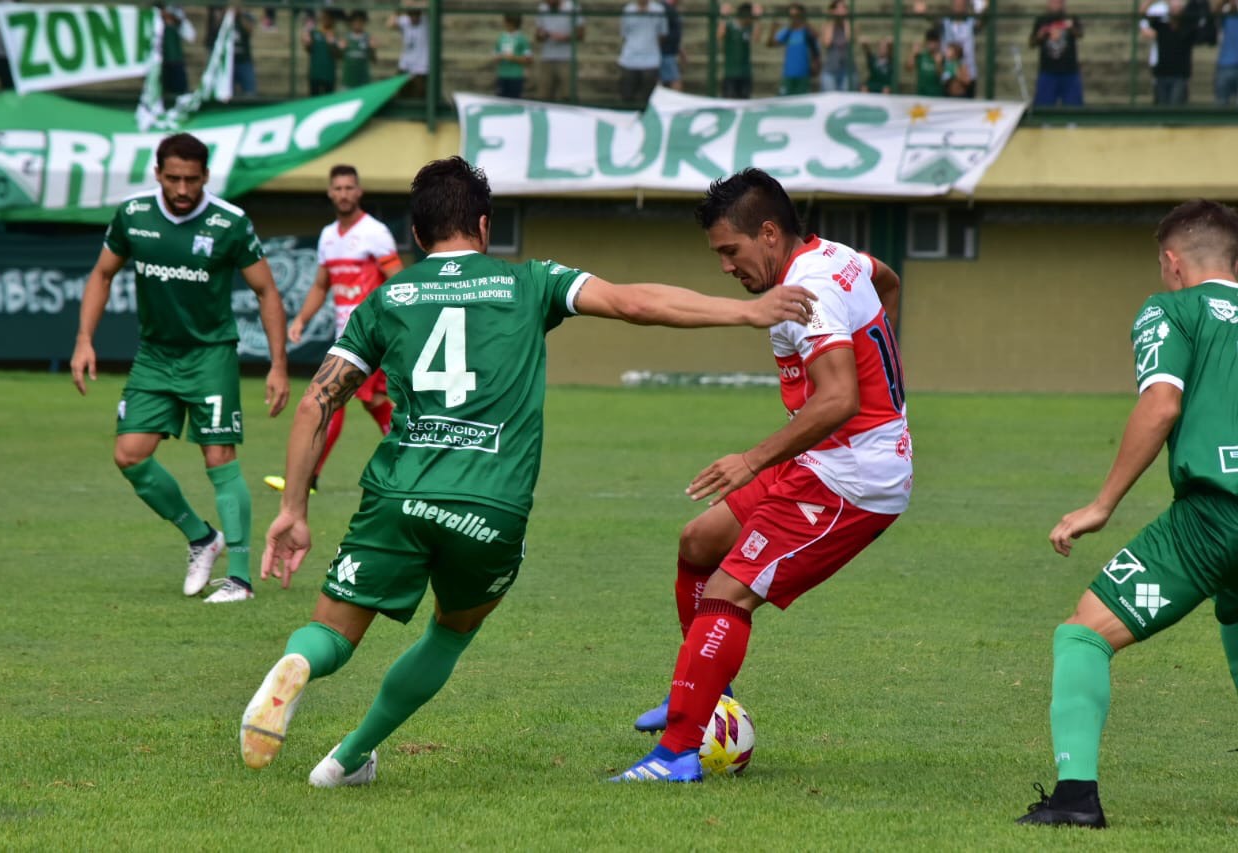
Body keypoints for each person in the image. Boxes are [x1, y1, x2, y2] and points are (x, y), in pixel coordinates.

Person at [237, 156, 817, 787]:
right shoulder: (531, 281)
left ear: (418, 234)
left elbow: (316, 403)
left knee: (332, 631)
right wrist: (747, 312)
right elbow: (633, 302)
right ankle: (347, 757)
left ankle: (300, 663)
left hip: (398, 493)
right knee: (450, 632)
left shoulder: (388, 298)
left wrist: (292, 510)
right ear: (484, 226)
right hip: (489, 505)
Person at [616, 168, 912, 782]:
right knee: (698, 542)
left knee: (728, 592)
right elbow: (886, 278)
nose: (726, 266)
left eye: (732, 250)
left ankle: (676, 754)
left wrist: (751, 460)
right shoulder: (836, 258)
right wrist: (876, 341)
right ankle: (700, 691)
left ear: (770, 233)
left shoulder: (811, 288)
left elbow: (839, 400)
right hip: (820, 459)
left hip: (850, 479)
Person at [1015, 200, 1238, 829]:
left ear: (1172, 262)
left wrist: (1101, 504)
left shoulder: (1171, 309)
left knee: (1083, 633)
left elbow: (1161, 404)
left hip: (1215, 519)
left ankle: (1075, 798)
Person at [69, 133, 290, 605]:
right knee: (129, 455)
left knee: (219, 458)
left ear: (206, 175)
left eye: (192, 179)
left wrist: (278, 365)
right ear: (158, 174)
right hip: (155, 355)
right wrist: (84, 340)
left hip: (210, 355)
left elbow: (266, 291)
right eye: (173, 178)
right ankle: (201, 537)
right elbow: (102, 274)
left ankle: (240, 579)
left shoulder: (229, 223)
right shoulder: (134, 215)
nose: (183, 189)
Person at [264, 166, 403, 496]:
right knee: (373, 401)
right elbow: (320, 285)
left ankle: (307, 477)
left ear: (359, 191)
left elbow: (398, 280)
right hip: (347, 336)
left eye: (349, 187)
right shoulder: (328, 236)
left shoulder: (375, 232)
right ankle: (411, 458)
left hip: (372, 334)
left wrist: (394, 322)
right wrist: (301, 319)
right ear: (330, 192)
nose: (343, 194)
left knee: (332, 397)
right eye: (338, 188)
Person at [915, 0, 984, 98]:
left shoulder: (971, 22)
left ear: (966, 6)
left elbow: (982, 21)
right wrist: (925, 13)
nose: (959, 6)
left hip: (968, 74)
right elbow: (934, 21)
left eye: (961, 4)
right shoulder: (945, 23)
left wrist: (986, 7)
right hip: (949, 76)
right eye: (956, 4)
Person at [1142, 0, 1201, 105]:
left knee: (1175, 108)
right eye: (1173, 8)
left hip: (1180, 76)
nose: (1175, 11)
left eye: (1178, 8)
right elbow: (1143, 18)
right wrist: (1149, 2)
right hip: (1161, 74)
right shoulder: (1161, 27)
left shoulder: (1188, 29)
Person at [1029, 0, 1083, 106]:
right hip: (1047, 71)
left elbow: (1080, 34)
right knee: (1044, 108)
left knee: (1073, 108)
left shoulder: (1071, 18)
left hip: (1069, 71)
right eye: (1052, 2)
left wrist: (1070, 27)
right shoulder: (1041, 20)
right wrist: (1040, 35)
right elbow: (1032, 43)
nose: (1055, 4)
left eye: (1058, 2)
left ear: (1063, 3)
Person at [619, 0, 668, 106]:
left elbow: (662, 33)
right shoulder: (628, 10)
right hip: (630, 58)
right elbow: (624, 33)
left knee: (649, 96)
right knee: (627, 95)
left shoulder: (658, 10)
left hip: (651, 59)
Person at [535, 0, 585, 102]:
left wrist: (564, 37)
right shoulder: (542, 8)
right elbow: (537, 34)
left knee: (568, 96)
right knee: (543, 96)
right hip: (547, 59)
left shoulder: (573, 7)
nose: (548, 3)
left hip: (566, 59)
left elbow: (581, 34)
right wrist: (542, 35)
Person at [768, 3, 820, 96]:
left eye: (796, 15)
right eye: (791, 16)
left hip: (803, 75)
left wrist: (805, 24)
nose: (793, 18)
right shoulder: (787, 31)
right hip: (788, 75)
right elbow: (771, 44)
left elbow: (816, 37)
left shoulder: (807, 31)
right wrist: (773, 29)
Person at [718, 3, 760, 99]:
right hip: (730, 73)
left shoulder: (749, 28)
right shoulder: (730, 26)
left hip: (745, 73)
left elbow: (756, 39)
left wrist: (758, 19)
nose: (751, 19)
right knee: (729, 99)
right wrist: (723, 17)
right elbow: (720, 35)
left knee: (745, 100)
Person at [157, 5, 195, 107]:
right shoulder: (156, 21)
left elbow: (191, 36)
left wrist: (178, 20)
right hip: (161, 63)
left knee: (181, 92)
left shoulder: (178, 19)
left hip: (176, 63)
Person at [389, 5, 429, 99]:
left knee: (419, 95)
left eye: (416, 15)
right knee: (400, 92)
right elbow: (390, 24)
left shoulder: (426, 21)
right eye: (411, 15)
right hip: (405, 65)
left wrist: (415, 3)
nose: (413, 17)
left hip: (421, 67)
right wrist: (399, 9)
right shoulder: (405, 20)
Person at [819, 0, 856, 92]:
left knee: (847, 98)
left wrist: (845, 21)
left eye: (844, 7)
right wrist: (833, 20)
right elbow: (827, 42)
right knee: (829, 98)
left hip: (848, 70)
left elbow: (850, 40)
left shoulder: (851, 25)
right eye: (839, 8)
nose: (842, 10)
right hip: (830, 69)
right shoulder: (827, 26)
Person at [494, 13, 533, 98]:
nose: (504, 23)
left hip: (516, 76)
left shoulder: (522, 39)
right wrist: (498, 57)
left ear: (511, 23)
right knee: (500, 100)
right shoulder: (501, 38)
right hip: (502, 75)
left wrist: (514, 58)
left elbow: (529, 59)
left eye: (506, 22)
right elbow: (495, 54)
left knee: (514, 101)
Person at [303, 9, 340, 96]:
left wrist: (332, 43)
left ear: (332, 20)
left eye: (328, 18)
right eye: (324, 17)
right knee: (314, 99)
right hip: (315, 74)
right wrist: (307, 43)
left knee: (328, 100)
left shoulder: (336, 35)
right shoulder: (314, 33)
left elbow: (338, 55)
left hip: (329, 75)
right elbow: (308, 49)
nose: (326, 20)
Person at [340, 11, 378, 89]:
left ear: (364, 22)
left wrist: (373, 49)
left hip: (363, 80)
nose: (357, 23)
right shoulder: (346, 38)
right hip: (348, 79)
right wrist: (340, 49)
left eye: (360, 21)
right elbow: (339, 56)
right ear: (351, 22)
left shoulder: (368, 38)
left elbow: (374, 60)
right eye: (355, 21)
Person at [1213, 0, 1238, 105]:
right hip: (1225, 66)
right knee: (1221, 104)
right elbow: (1215, 12)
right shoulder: (1226, 17)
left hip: (1227, 66)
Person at [908, 28, 945, 96]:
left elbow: (942, 77)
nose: (932, 45)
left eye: (934, 42)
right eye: (930, 42)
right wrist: (913, 54)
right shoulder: (921, 55)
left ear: (938, 43)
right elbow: (909, 68)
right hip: (922, 93)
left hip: (936, 94)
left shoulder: (942, 57)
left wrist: (938, 64)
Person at [660, 0, 686, 92]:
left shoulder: (671, 9)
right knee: (675, 81)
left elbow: (673, 33)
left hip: (669, 52)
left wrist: (680, 50)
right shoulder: (664, 8)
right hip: (665, 52)